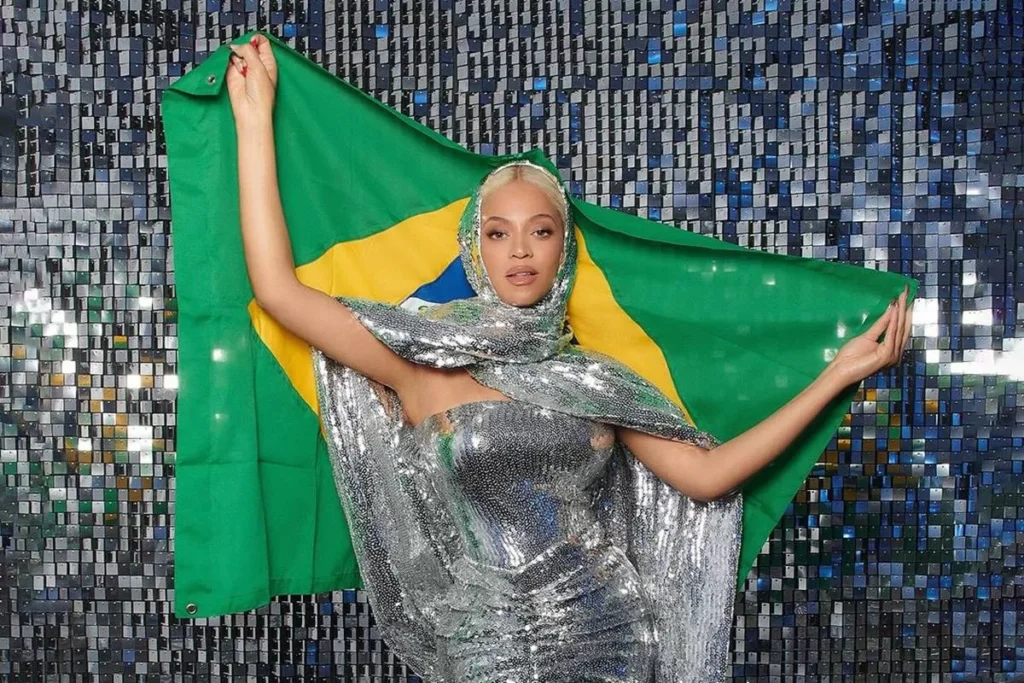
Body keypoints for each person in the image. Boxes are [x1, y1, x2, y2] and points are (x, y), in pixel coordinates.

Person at [223, 35, 913, 682]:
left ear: (564, 248)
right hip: (484, 643)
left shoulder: (595, 380)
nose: (520, 250)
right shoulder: (420, 359)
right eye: (498, 233)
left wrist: (838, 374)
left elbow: (706, 477)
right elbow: (279, 292)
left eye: (541, 231)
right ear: (474, 249)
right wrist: (254, 123)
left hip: (605, 630)